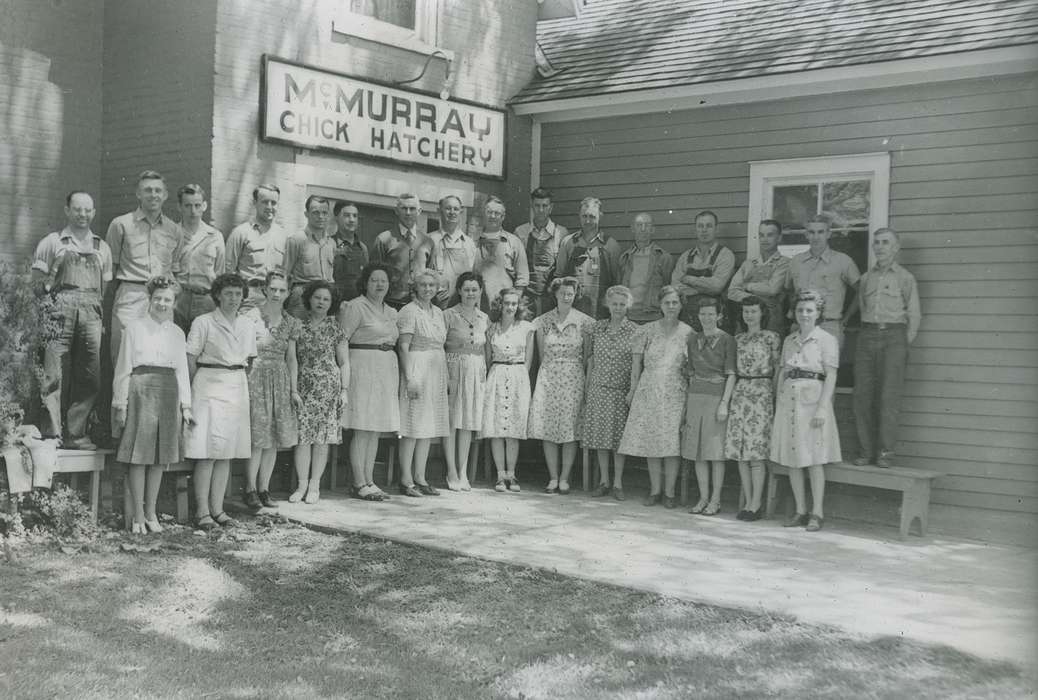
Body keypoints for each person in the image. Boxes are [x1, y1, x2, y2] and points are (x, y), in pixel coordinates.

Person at [111, 275, 192, 534]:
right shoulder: (134, 328)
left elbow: (182, 371)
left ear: (174, 302)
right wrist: (120, 403)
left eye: (167, 299)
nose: (162, 303)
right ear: (150, 299)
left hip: (169, 392)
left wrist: (186, 406)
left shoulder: (178, 333)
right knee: (139, 456)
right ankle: (136, 515)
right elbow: (123, 368)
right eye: (157, 298)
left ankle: (151, 513)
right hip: (140, 389)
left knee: (160, 457)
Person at [32, 191, 112, 449]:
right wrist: (49, 311)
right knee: (52, 373)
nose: (83, 215)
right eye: (77, 209)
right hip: (58, 311)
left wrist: (94, 312)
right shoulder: (52, 242)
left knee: (90, 375)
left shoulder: (102, 247)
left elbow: (104, 288)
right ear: (67, 210)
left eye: (88, 210)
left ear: (94, 213)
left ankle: (77, 434)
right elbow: (36, 283)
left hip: (91, 312)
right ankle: (51, 435)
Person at [185, 273, 257, 530]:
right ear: (217, 295)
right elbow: (191, 359)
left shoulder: (247, 325)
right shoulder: (204, 322)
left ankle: (218, 509)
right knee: (207, 453)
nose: (233, 299)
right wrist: (194, 392)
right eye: (228, 293)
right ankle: (202, 512)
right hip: (208, 385)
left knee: (226, 453)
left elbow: (248, 362)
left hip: (236, 386)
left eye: (238, 294)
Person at [770, 289, 841, 532]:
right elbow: (783, 372)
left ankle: (816, 512)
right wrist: (778, 397)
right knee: (793, 459)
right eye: (800, 310)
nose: (804, 314)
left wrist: (823, 407)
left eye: (809, 310)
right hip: (789, 401)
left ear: (818, 313)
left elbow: (831, 375)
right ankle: (800, 510)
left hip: (813, 402)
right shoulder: (790, 340)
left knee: (814, 459)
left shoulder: (826, 340)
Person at [853, 228, 922, 468]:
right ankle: (865, 451)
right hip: (867, 335)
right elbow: (862, 307)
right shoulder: (865, 278)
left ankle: (885, 453)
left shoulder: (905, 278)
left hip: (894, 337)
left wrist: (902, 344)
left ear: (896, 248)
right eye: (877, 243)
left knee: (888, 397)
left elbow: (914, 316)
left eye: (885, 243)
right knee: (862, 396)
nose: (880, 247)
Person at [618, 286, 691, 506]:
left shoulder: (688, 333)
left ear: (680, 305)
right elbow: (636, 365)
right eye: (667, 302)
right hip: (649, 389)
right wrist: (632, 390)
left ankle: (669, 493)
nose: (670, 307)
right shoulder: (647, 330)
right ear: (660, 305)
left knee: (670, 443)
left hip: (674, 390)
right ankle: (655, 490)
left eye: (675, 303)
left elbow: (690, 369)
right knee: (652, 440)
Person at [107, 170, 184, 361]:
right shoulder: (121, 225)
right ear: (138, 194)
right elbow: (111, 268)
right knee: (124, 355)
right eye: (148, 190)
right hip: (131, 295)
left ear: (165, 195)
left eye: (158, 191)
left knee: (160, 355)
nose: (153, 195)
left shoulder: (174, 229)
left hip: (162, 298)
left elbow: (175, 269)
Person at [339, 263, 399, 502]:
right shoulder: (356, 307)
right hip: (362, 367)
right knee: (362, 428)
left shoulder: (391, 311)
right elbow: (342, 340)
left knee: (374, 429)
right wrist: (345, 371)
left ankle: (370, 480)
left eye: (383, 280)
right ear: (365, 282)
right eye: (374, 280)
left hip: (385, 370)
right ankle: (358, 482)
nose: (379, 284)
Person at [528, 277, 593, 494]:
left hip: (573, 377)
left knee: (569, 428)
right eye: (562, 293)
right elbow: (541, 353)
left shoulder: (585, 322)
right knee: (548, 428)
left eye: (570, 293)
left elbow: (586, 357)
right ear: (555, 294)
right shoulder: (543, 321)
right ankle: (553, 477)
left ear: (575, 295)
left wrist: (579, 377)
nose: (566, 296)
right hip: (549, 376)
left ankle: (565, 478)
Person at [242, 271, 301, 510]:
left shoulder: (290, 321)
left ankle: (264, 488)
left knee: (274, 439)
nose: (277, 294)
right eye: (273, 289)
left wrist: (294, 390)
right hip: (256, 377)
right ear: (265, 289)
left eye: (282, 290)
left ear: (288, 292)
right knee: (258, 438)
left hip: (280, 378)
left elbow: (292, 359)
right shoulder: (250, 317)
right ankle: (249, 488)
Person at [724, 296, 781, 521]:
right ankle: (747, 501)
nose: (749, 315)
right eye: (746, 311)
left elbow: (777, 370)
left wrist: (773, 396)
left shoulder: (771, 338)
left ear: (762, 313)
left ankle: (756, 504)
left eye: (754, 311)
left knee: (756, 453)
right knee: (741, 454)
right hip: (740, 392)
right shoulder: (737, 339)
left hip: (762, 392)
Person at [292, 281, 349, 504]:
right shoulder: (298, 325)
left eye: (326, 299)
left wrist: (344, 390)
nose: (321, 302)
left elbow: (344, 362)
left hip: (328, 387)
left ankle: (315, 485)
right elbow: (292, 359)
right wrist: (293, 389)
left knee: (322, 439)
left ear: (331, 303)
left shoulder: (336, 328)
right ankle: (301, 485)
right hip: (304, 386)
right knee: (303, 438)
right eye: (317, 297)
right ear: (309, 299)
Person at [396, 270, 450, 496]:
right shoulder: (409, 311)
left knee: (427, 427)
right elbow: (403, 346)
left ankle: (421, 476)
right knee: (412, 427)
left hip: (436, 369)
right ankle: (406, 479)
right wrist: (410, 378)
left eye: (432, 285)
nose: (428, 289)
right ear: (415, 287)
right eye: (423, 285)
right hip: (417, 368)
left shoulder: (438, 312)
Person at [582, 286, 638, 500]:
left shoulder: (635, 330)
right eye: (614, 304)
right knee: (601, 437)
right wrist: (588, 388)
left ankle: (617, 483)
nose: (618, 308)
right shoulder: (597, 328)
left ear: (628, 306)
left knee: (618, 440)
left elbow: (636, 364)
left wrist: (632, 391)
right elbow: (590, 359)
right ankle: (604, 481)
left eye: (622, 305)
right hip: (598, 388)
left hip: (620, 391)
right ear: (608, 304)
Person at [682, 297, 736, 515]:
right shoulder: (692, 339)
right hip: (696, 396)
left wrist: (724, 403)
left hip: (716, 398)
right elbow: (690, 371)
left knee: (714, 452)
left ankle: (715, 500)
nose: (706, 318)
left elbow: (731, 374)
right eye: (703, 314)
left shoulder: (727, 340)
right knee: (697, 452)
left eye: (711, 314)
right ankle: (703, 498)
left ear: (719, 316)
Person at [481, 288, 535, 491]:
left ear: (518, 305)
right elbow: (488, 358)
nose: (510, 307)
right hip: (496, 375)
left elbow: (528, 361)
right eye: (506, 303)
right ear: (500, 305)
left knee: (513, 428)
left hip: (518, 376)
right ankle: (499, 475)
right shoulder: (491, 328)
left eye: (514, 303)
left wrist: (520, 379)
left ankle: (511, 475)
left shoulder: (527, 328)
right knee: (496, 429)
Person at [443, 272, 489, 491]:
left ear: (480, 291)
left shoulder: (484, 318)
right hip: (453, 368)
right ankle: (451, 471)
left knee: (468, 423)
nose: (471, 293)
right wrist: (446, 375)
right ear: (459, 290)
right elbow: (439, 346)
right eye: (467, 289)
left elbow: (485, 349)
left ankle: (463, 472)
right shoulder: (448, 315)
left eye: (475, 289)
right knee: (453, 422)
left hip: (475, 370)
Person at [786, 214, 860, 348]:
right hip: (800, 326)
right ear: (806, 235)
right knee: (797, 367)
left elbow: (860, 291)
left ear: (828, 234)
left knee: (827, 369)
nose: (816, 236)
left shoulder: (843, 261)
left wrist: (845, 320)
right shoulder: (796, 262)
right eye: (811, 232)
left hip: (829, 326)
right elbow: (789, 291)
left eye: (820, 232)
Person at [554, 197, 621, 319]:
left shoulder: (610, 245)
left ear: (600, 216)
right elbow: (559, 277)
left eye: (592, 217)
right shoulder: (568, 243)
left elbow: (617, 283)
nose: (588, 221)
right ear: (579, 216)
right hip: (572, 311)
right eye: (584, 216)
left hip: (600, 313)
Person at [225, 184, 288, 310]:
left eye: (274, 203)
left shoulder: (283, 235)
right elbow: (228, 271)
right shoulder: (241, 232)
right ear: (254, 203)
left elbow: (286, 271)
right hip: (248, 296)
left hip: (274, 297)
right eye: (265, 202)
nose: (270, 207)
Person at [670, 210, 735, 330]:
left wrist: (689, 279)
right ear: (695, 229)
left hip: (716, 321)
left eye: (709, 226)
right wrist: (704, 287)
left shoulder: (725, 255)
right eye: (700, 226)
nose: (704, 230)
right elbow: (674, 286)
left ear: (716, 229)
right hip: (687, 319)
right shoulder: (685, 256)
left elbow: (717, 286)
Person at [173, 184, 225, 332]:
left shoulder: (215, 236)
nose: (193, 211)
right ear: (179, 207)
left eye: (197, 205)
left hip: (206, 299)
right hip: (179, 298)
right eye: (188, 206)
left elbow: (220, 273)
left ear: (205, 206)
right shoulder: (172, 234)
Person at [371, 193, 435, 310]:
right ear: (396, 211)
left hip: (419, 305)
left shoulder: (427, 242)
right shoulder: (384, 239)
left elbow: (431, 276)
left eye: (412, 209)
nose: (408, 213)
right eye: (404, 208)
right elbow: (373, 276)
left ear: (419, 211)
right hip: (390, 305)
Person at [727, 219, 789, 336]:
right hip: (746, 319)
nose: (765, 239)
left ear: (779, 238)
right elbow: (732, 292)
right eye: (761, 235)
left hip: (772, 320)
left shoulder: (784, 263)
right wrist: (755, 298)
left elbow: (772, 289)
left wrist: (747, 286)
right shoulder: (748, 264)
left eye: (770, 235)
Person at [514, 187, 569, 316]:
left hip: (551, 298)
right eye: (537, 205)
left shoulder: (561, 233)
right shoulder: (520, 232)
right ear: (532, 206)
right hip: (527, 297)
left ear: (551, 207)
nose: (540, 210)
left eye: (544, 206)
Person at [283, 195, 335, 318]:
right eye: (316, 212)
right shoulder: (297, 240)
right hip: (301, 297)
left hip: (324, 298)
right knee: (297, 333)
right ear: (306, 214)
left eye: (324, 213)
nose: (321, 217)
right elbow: (285, 274)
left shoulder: (331, 243)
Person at [618, 212, 674, 324]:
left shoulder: (663, 257)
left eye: (647, 225)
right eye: (639, 225)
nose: (643, 229)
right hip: (628, 317)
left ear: (653, 229)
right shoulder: (625, 257)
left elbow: (668, 290)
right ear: (633, 228)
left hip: (654, 317)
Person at [473, 196, 529, 306]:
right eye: (489, 212)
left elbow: (522, 278)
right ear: (484, 214)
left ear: (503, 217)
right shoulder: (472, 241)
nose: (492, 216)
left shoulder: (514, 242)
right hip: (477, 306)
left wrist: (512, 304)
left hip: (504, 307)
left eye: (497, 213)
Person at [429, 194, 477, 309]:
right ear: (439, 211)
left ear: (461, 212)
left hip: (462, 307)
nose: (452, 212)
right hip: (435, 306)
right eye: (448, 208)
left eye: (456, 209)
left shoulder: (469, 243)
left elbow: (474, 277)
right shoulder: (430, 240)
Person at [331, 200, 368, 308]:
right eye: (347, 215)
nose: (352, 220)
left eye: (355, 216)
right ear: (336, 218)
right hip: (334, 307)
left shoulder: (362, 248)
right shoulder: (329, 245)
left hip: (358, 308)